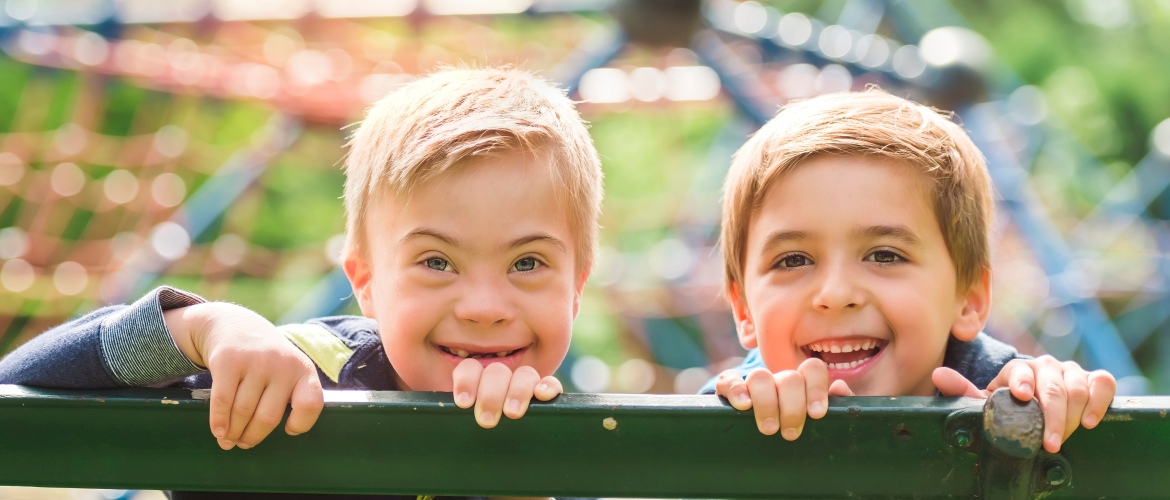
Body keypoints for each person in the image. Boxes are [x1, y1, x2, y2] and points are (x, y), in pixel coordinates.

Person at [0, 67, 603, 455]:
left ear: (575, 289)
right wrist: (201, 329)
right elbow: (18, 384)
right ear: (365, 281)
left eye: (526, 264)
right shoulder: (301, 376)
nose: (484, 308)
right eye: (437, 262)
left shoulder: (572, 435)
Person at [704, 89, 1115, 454]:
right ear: (743, 310)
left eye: (884, 255)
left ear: (968, 298)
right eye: (793, 260)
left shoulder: (1015, 400)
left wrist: (1036, 424)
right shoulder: (716, 429)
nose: (835, 293)